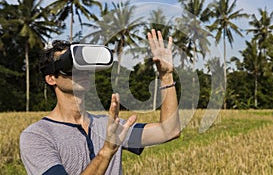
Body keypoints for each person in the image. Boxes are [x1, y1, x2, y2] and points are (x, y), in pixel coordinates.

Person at [20, 29, 180, 175]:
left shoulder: (108, 126)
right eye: (70, 65)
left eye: (82, 64)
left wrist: (166, 76)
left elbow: (169, 131)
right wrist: (106, 151)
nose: (80, 71)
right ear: (51, 78)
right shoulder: (37, 136)